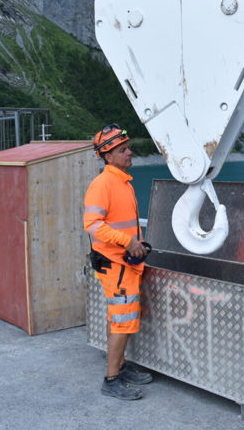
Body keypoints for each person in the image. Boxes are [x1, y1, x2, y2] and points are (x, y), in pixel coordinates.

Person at [83, 123, 152, 400]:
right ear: (108, 156)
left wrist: (138, 241)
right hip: (116, 266)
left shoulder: (122, 182)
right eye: (122, 150)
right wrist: (128, 242)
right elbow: (92, 225)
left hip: (126, 264)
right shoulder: (102, 185)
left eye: (128, 148)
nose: (129, 153)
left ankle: (120, 367)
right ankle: (111, 379)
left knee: (119, 320)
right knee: (122, 322)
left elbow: (123, 224)